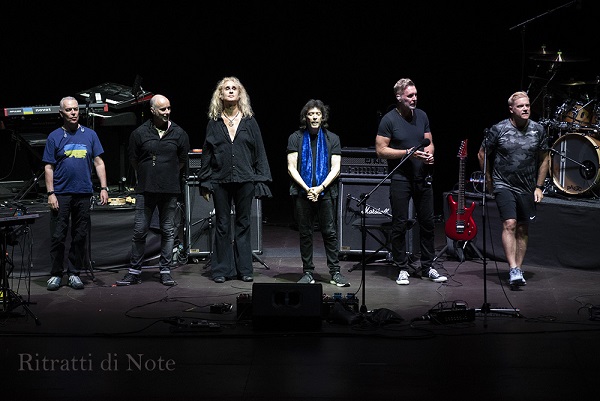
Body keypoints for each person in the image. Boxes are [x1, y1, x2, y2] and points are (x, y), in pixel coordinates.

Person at [198, 77, 272, 283]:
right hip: (220, 180)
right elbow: (207, 153)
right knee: (222, 224)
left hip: (244, 178)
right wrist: (204, 181)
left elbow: (259, 151)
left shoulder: (250, 121)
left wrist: (261, 180)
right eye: (226, 89)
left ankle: (244, 269)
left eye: (234, 88)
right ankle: (221, 270)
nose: (230, 91)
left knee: (243, 223)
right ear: (220, 95)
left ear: (240, 94)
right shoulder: (214, 123)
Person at [375, 78, 447, 285]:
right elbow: (381, 150)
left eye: (416, 95)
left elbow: (429, 142)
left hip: (422, 177)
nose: (415, 99)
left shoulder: (422, 115)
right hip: (400, 178)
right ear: (399, 97)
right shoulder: (389, 120)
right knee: (399, 224)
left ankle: (427, 266)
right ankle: (402, 268)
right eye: (410, 96)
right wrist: (408, 153)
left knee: (427, 224)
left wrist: (429, 154)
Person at [116, 94, 190, 287]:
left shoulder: (179, 133)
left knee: (167, 230)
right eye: (162, 109)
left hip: (170, 189)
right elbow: (134, 159)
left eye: (169, 108)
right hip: (146, 189)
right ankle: (134, 272)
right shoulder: (139, 133)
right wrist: (149, 174)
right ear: (152, 111)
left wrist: (166, 173)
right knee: (140, 231)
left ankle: (165, 270)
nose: (167, 112)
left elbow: (182, 161)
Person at [478, 91, 550, 287]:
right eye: (520, 106)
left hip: (527, 186)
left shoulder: (538, 130)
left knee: (523, 228)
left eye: (527, 105)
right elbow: (482, 153)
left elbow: (545, 158)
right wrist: (490, 181)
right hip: (504, 184)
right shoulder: (498, 129)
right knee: (510, 223)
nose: (525, 108)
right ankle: (513, 268)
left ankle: (518, 267)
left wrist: (539, 186)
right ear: (511, 109)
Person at [43, 96, 109, 291]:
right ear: (61, 113)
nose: (73, 113)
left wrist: (104, 188)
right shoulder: (54, 136)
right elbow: (48, 167)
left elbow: (99, 162)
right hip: (61, 194)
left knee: (79, 236)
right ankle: (56, 274)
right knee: (58, 236)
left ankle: (73, 273)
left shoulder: (89, 135)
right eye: (69, 110)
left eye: (75, 109)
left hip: (83, 193)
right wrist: (50, 193)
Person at [287, 99, 349, 287]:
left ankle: (335, 272)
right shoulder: (295, 137)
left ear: (323, 117)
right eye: (311, 114)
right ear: (305, 117)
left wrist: (320, 188)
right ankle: (307, 272)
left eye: (318, 114)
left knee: (329, 233)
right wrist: (308, 189)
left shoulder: (333, 138)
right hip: (302, 193)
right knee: (305, 233)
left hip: (327, 193)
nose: (314, 117)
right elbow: (291, 167)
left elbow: (336, 168)